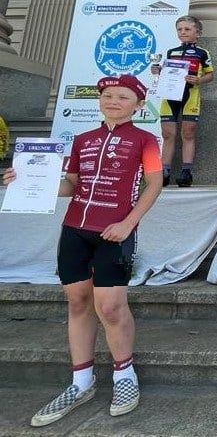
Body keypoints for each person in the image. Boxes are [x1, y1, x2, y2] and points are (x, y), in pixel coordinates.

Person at [3, 75, 163, 427]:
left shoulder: (145, 139)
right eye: (107, 95)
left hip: (115, 231)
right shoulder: (82, 139)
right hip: (74, 230)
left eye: (123, 97)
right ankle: (81, 382)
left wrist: (128, 223)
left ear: (138, 105)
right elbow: (69, 186)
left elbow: (155, 182)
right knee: (77, 302)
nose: (113, 101)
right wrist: (27, 179)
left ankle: (124, 375)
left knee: (110, 305)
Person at [151, 15, 214, 187]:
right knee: (167, 134)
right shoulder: (171, 52)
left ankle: (186, 172)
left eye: (187, 29)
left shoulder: (202, 53)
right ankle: (164, 172)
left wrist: (199, 81)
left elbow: (210, 75)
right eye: (179, 29)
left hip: (190, 95)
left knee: (188, 133)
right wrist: (157, 70)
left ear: (197, 33)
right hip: (170, 96)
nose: (183, 32)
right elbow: (167, 74)